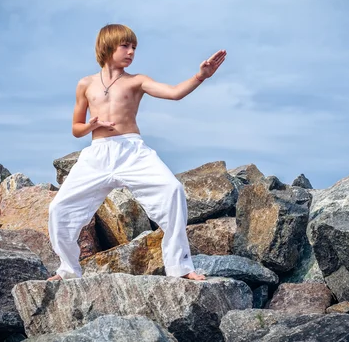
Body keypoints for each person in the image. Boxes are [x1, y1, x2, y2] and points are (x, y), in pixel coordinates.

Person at [47, 24, 226, 281]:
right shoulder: (85, 84)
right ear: (108, 46)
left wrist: (201, 77)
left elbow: (174, 94)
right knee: (59, 208)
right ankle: (67, 269)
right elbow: (76, 129)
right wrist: (92, 126)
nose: (131, 52)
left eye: (134, 47)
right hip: (97, 154)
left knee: (172, 190)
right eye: (125, 46)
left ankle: (180, 267)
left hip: (132, 151)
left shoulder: (136, 81)